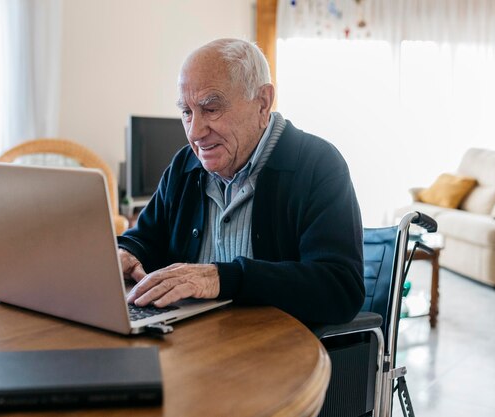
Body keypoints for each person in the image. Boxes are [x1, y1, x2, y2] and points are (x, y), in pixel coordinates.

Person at [117, 38, 364, 326]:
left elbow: (340, 289)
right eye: (186, 112)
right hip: (188, 345)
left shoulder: (318, 164)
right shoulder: (185, 164)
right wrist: (127, 253)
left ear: (262, 103)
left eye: (210, 108)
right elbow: (145, 239)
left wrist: (224, 278)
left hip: (275, 352)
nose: (195, 132)